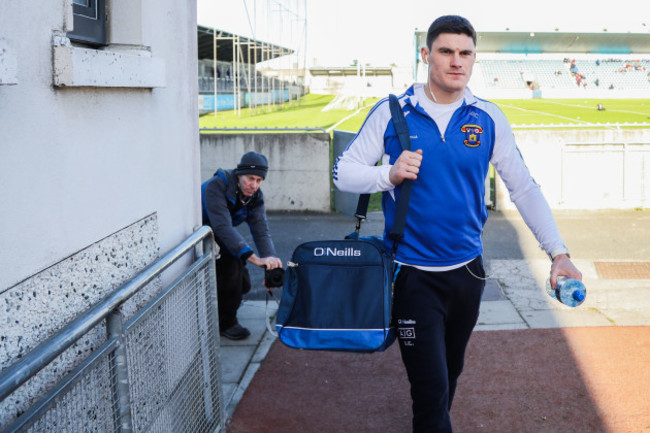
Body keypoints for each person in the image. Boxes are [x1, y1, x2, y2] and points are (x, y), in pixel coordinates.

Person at [332, 15, 582, 433]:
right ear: (426, 55)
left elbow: (523, 188)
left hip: (468, 272)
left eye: (465, 53)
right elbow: (344, 173)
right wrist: (387, 175)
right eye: (446, 51)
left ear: (473, 59)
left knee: (449, 374)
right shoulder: (394, 113)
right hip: (411, 275)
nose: (456, 61)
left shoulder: (486, 118)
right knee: (429, 392)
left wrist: (559, 253)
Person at [202, 151, 283, 340]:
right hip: (202, 230)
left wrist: (269, 260)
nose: (254, 185)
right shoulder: (217, 186)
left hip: (222, 232)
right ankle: (226, 324)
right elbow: (222, 226)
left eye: (259, 180)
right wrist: (254, 258)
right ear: (239, 175)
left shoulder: (255, 196)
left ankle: (229, 299)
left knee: (243, 285)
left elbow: (261, 230)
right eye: (250, 178)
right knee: (231, 275)